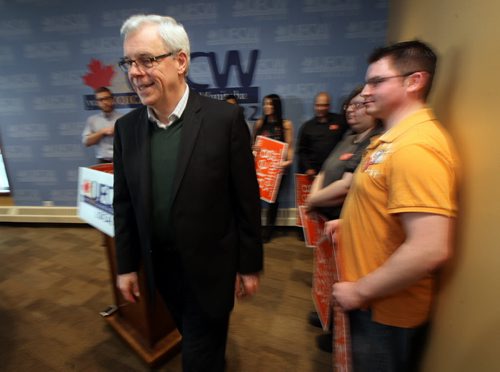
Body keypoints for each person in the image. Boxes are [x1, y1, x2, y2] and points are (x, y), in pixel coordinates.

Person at [113, 14, 263, 371]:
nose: (135, 72)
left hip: (212, 270)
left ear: (180, 61)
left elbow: (246, 198)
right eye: (129, 62)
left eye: (147, 60)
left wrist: (249, 264)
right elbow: (124, 204)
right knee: (197, 341)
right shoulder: (126, 129)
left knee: (197, 357)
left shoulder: (223, 121)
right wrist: (126, 266)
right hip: (161, 270)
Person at [326, 40, 459, 371]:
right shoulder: (391, 140)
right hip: (370, 303)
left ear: (414, 81)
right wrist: (350, 224)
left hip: (382, 313)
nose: (365, 91)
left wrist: (359, 292)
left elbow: (429, 248)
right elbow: (383, 204)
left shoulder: (417, 147)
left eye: (376, 81)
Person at [305, 87, 383, 352]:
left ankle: (337, 331)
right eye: (349, 105)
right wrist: (314, 197)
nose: (351, 109)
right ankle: (326, 316)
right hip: (326, 219)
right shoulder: (349, 135)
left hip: (344, 223)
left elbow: (346, 186)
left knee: (342, 279)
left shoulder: (373, 140)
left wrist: (313, 200)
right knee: (327, 276)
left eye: (359, 105)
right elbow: (327, 170)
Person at [253, 94, 293, 242]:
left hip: (277, 170)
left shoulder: (285, 124)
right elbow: (254, 145)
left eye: (270, 104)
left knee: (273, 202)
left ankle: (269, 230)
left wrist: (288, 161)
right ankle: (255, 227)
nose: (267, 107)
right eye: (265, 104)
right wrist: (255, 149)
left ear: (276, 106)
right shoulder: (260, 123)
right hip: (260, 168)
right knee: (254, 199)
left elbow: (289, 146)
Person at [296, 92, 347, 178]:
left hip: (337, 170)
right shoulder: (307, 126)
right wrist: (308, 168)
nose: (321, 108)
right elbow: (302, 151)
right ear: (314, 105)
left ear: (329, 106)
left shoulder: (340, 121)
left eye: (324, 105)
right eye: (318, 105)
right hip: (315, 172)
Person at [82, 87, 121, 163]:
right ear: (97, 102)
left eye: (107, 98)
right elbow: (86, 142)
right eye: (100, 100)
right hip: (102, 161)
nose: (104, 102)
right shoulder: (92, 120)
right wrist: (102, 132)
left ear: (112, 99)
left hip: (121, 161)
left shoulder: (123, 119)